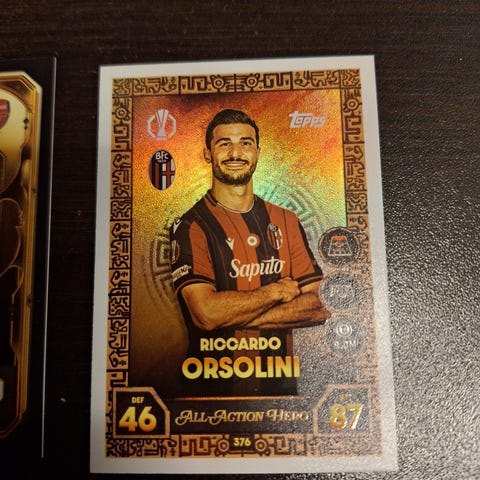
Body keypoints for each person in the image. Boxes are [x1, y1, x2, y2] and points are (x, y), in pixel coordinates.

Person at [169, 108, 330, 397]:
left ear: (257, 152)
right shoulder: (191, 226)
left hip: (280, 390)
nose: (236, 153)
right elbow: (206, 314)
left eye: (245, 143)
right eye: (224, 144)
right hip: (210, 393)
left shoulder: (286, 220)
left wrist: (231, 316)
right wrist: (275, 292)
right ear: (207, 153)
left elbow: (319, 304)